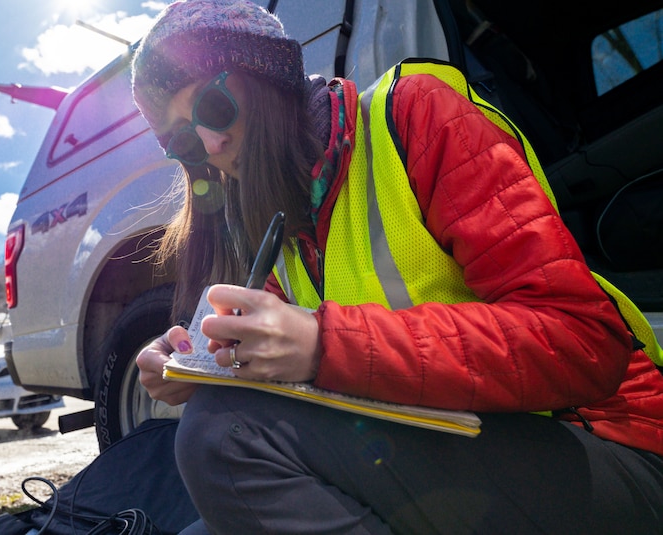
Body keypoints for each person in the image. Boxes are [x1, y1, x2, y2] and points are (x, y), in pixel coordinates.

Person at [132, 0, 663, 533]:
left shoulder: (417, 114)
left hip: (606, 444)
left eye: (214, 107)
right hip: (465, 439)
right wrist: (201, 362)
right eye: (180, 139)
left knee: (222, 439)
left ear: (267, 78)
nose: (210, 145)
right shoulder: (285, 227)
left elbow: (583, 341)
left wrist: (323, 343)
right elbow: (285, 389)